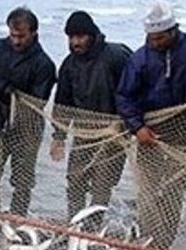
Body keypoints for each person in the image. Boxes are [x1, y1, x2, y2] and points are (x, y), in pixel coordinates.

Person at [116, 1, 186, 250]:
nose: (155, 42)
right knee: (148, 188)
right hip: (149, 133)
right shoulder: (139, 58)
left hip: (184, 133)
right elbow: (124, 96)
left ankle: (164, 243)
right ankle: (147, 238)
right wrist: (137, 127)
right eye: (151, 37)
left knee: (174, 190)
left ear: (173, 31)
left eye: (160, 37)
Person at [0, 7, 56, 216]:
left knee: (22, 180)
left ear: (34, 33)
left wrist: (15, 97)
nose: (16, 41)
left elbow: (38, 101)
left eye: (22, 36)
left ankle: (18, 217)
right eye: (12, 35)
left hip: (28, 126)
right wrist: (4, 89)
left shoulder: (44, 64)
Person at [50, 11, 132, 229]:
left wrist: (128, 124)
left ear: (92, 35)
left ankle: (94, 229)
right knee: (75, 179)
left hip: (115, 132)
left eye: (80, 36)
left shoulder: (116, 56)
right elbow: (62, 103)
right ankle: (75, 224)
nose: (75, 42)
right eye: (71, 37)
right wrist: (58, 137)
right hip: (84, 133)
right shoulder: (68, 64)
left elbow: (134, 91)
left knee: (102, 184)